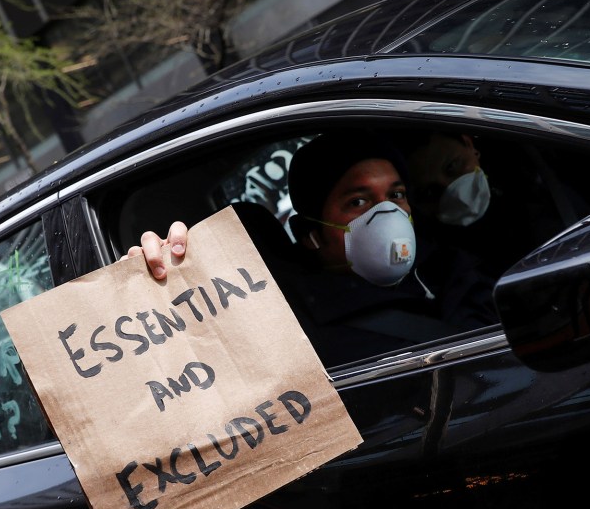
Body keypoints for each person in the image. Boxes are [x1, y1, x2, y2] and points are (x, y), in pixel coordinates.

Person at [127, 130, 498, 366]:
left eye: (396, 194)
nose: (388, 214)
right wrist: (161, 279)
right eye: (357, 201)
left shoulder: (453, 267)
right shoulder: (290, 327)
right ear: (311, 234)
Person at [394, 129, 567, 276]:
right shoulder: (436, 266)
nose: (456, 194)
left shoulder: (536, 178)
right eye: (429, 192)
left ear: (469, 144)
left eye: (452, 167)